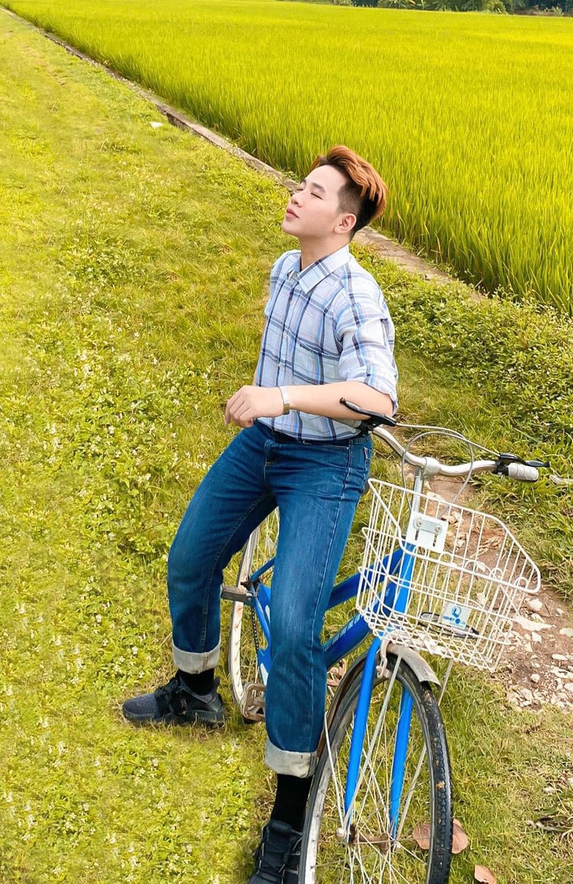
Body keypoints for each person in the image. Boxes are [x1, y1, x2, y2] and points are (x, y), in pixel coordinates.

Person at [122, 144, 397, 883]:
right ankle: (196, 691)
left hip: (326, 466)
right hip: (264, 447)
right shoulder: (287, 268)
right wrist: (268, 406)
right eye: (297, 185)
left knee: (300, 625)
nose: (294, 195)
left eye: (311, 191)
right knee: (189, 557)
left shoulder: (355, 295)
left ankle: (289, 813)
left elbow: (379, 397)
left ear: (341, 222)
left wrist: (282, 398)